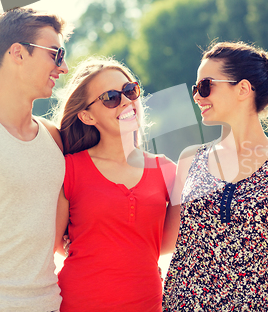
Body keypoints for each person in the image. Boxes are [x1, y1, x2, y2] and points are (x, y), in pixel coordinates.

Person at [162, 41, 268, 311]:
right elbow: (165, 240)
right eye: (195, 88)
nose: (197, 96)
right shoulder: (190, 159)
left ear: (243, 89)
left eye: (205, 86)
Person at [53, 57, 176, 311]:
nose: (126, 102)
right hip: (78, 303)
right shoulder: (69, 168)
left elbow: (165, 243)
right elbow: (55, 243)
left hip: (146, 303)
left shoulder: (166, 169)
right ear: (87, 116)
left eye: (130, 91)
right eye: (110, 98)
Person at [0, 7, 71, 311]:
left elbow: (57, 238)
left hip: (49, 304)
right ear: (18, 53)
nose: (62, 68)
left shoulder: (53, 137)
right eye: (56, 54)